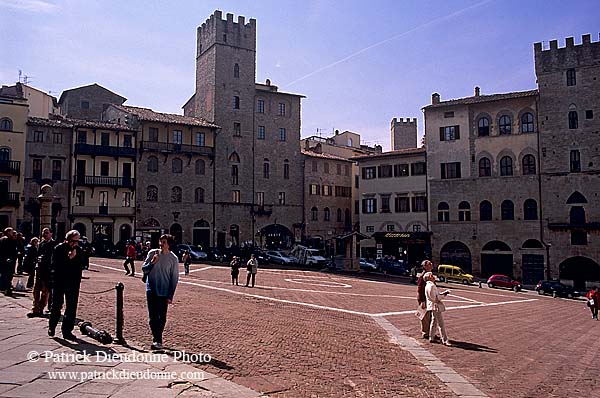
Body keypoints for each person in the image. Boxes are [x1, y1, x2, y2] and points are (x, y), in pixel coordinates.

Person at [142, 234, 179, 350]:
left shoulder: (173, 259)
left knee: (162, 317)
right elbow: (144, 268)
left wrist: (170, 295)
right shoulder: (152, 253)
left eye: (163, 242)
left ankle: (158, 339)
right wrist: (152, 262)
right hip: (151, 289)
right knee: (152, 317)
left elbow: (174, 279)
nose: (161, 244)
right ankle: (157, 340)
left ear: (169, 244)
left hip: (164, 291)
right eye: (160, 242)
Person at [48, 230, 84, 340]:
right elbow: (55, 266)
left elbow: (81, 265)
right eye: (74, 241)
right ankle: (52, 326)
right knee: (56, 305)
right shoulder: (58, 249)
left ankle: (67, 331)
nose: (76, 244)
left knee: (71, 307)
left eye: (78, 241)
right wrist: (69, 258)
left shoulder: (78, 250)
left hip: (73, 283)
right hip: (60, 281)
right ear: (68, 239)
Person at [28, 228, 56, 318]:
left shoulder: (54, 244)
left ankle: (41, 308)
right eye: (44, 233)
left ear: (51, 234)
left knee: (45, 291)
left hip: (48, 270)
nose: (45, 235)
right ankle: (35, 308)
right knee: (36, 290)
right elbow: (37, 255)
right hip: (39, 269)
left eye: (47, 233)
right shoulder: (41, 244)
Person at [424, 271, 451, 346]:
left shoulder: (428, 285)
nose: (433, 276)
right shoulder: (431, 286)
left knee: (434, 321)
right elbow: (436, 298)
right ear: (429, 277)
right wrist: (444, 294)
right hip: (435, 306)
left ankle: (431, 337)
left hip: (432, 306)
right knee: (441, 324)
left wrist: (441, 294)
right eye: (431, 275)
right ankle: (444, 340)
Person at [416, 260, 433, 339]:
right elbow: (420, 289)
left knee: (429, 316)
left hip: (428, 298)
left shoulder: (429, 274)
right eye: (429, 264)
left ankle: (429, 332)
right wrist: (422, 301)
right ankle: (425, 333)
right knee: (425, 316)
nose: (431, 265)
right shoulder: (423, 276)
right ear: (425, 266)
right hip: (424, 298)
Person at [0, 227, 19, 296]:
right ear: (8, 232)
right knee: (8, 274)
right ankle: (6, 288)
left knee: (4, 274)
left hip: (3, 260)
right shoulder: (8, 240)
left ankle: (3, 287)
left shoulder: (1, 239)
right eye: (11, 232)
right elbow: (11, 250)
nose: (12, 233)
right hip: (9, 260)